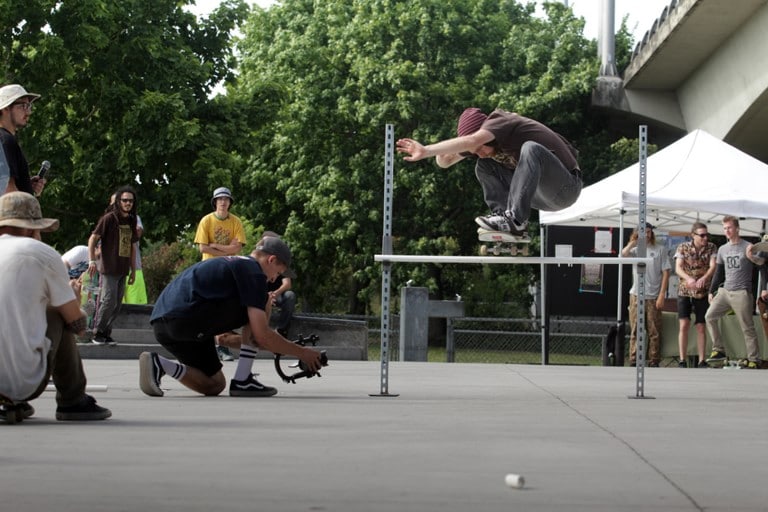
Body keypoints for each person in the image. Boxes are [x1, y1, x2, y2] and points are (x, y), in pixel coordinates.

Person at [138, 236, 323, 398]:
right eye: (278, 273)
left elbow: (226, 338)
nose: (274, 280)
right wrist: (302, 352)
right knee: (264, 301)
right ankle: (243, 379)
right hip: (186, 318)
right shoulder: (253, 272)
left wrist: (276, 345)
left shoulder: (234, 265)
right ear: (271, 260)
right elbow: (261, 336)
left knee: (215, 384)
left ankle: (159, 364)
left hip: (166, 324)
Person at [0, 192, 111, 421]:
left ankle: (9, 403)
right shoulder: (42, 254)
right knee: (59, 313)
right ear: (33, 229)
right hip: (20, 381)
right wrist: (73, 300)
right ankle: (72, 400)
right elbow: (78, 325)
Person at [395, 107, 582, 236]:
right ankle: (505, 221)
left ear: (487, 133)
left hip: (566, 188)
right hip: (540, 196)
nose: (479, 153)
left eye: (479, 147)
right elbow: (444, 161)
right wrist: (463, 142)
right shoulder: (482, 145)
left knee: (531, 149)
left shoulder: (501, 121)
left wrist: (426, 150)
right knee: (485, 165)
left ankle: (515, 220)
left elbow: (473, 141)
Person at [194, 186, 247, 361]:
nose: (223, 202)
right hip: (209, 270)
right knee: (209, 307)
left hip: (228, 269)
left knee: (225, 306)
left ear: (230, 203)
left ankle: (222, 346)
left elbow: (238, 247)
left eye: (226, 199)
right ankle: (212, 344)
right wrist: (227, 250)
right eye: (220, 199)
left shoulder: (235, 222)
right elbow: (202, 247)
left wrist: (215, 246)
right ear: (215, 202)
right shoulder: (206, 221)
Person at [706, 216, 760, 368]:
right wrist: (712, 291)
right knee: (709, 316)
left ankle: (754, 359)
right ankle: (718, 350)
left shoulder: (748, 246)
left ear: (737, 228)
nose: (727, 231)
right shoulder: (723, 249)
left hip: (741, 292)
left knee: (747, 327)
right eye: (724, 228)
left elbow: (762, 264)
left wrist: (752, 257)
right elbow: (718, 272)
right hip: (725, 291)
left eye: (729, 228)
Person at [87, 186, 138, 345]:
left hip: (123, 268)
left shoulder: (131, 220)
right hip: (109, 267)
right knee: (108, 300)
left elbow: (132, 246)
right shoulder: (109, 218)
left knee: (117, 304)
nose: (127, 203)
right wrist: (92, 260)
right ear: (118, 201)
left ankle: (106, 333)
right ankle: (97, 332)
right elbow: (93, 238)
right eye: (124, 200)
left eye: (130, 200)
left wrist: (133, 270)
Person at [621, 223, 671, 367]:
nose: (647, 235)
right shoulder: (636, 250)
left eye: (649, 232)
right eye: (644, 233)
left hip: (652, 295)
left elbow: (666, 272)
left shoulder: (660, 249)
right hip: (636, 294)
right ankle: (633, 359)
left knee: (654, 330)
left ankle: (654, 360)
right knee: (636, 329)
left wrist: (662, 294)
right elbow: (623, 255)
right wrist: (633, 242)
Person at [673, 222, 717, 368]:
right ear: (693, 235)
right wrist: (688, 278)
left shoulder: (711, 247)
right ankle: (682, 359)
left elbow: (713, 266)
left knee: (700, 326)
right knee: (684, 324)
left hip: (702, 291)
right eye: (702, 235)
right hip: (685, 290)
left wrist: (704, 278)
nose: (705, 238)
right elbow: (678, 268)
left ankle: (701, 360)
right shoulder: (683, 247)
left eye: (706, 235)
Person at [0, 84, 46, 196]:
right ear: (6, 107)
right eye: (23, 106)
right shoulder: (5, 140)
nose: (28, 112)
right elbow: (8, 191)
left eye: (29, 106)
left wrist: (25, 186)